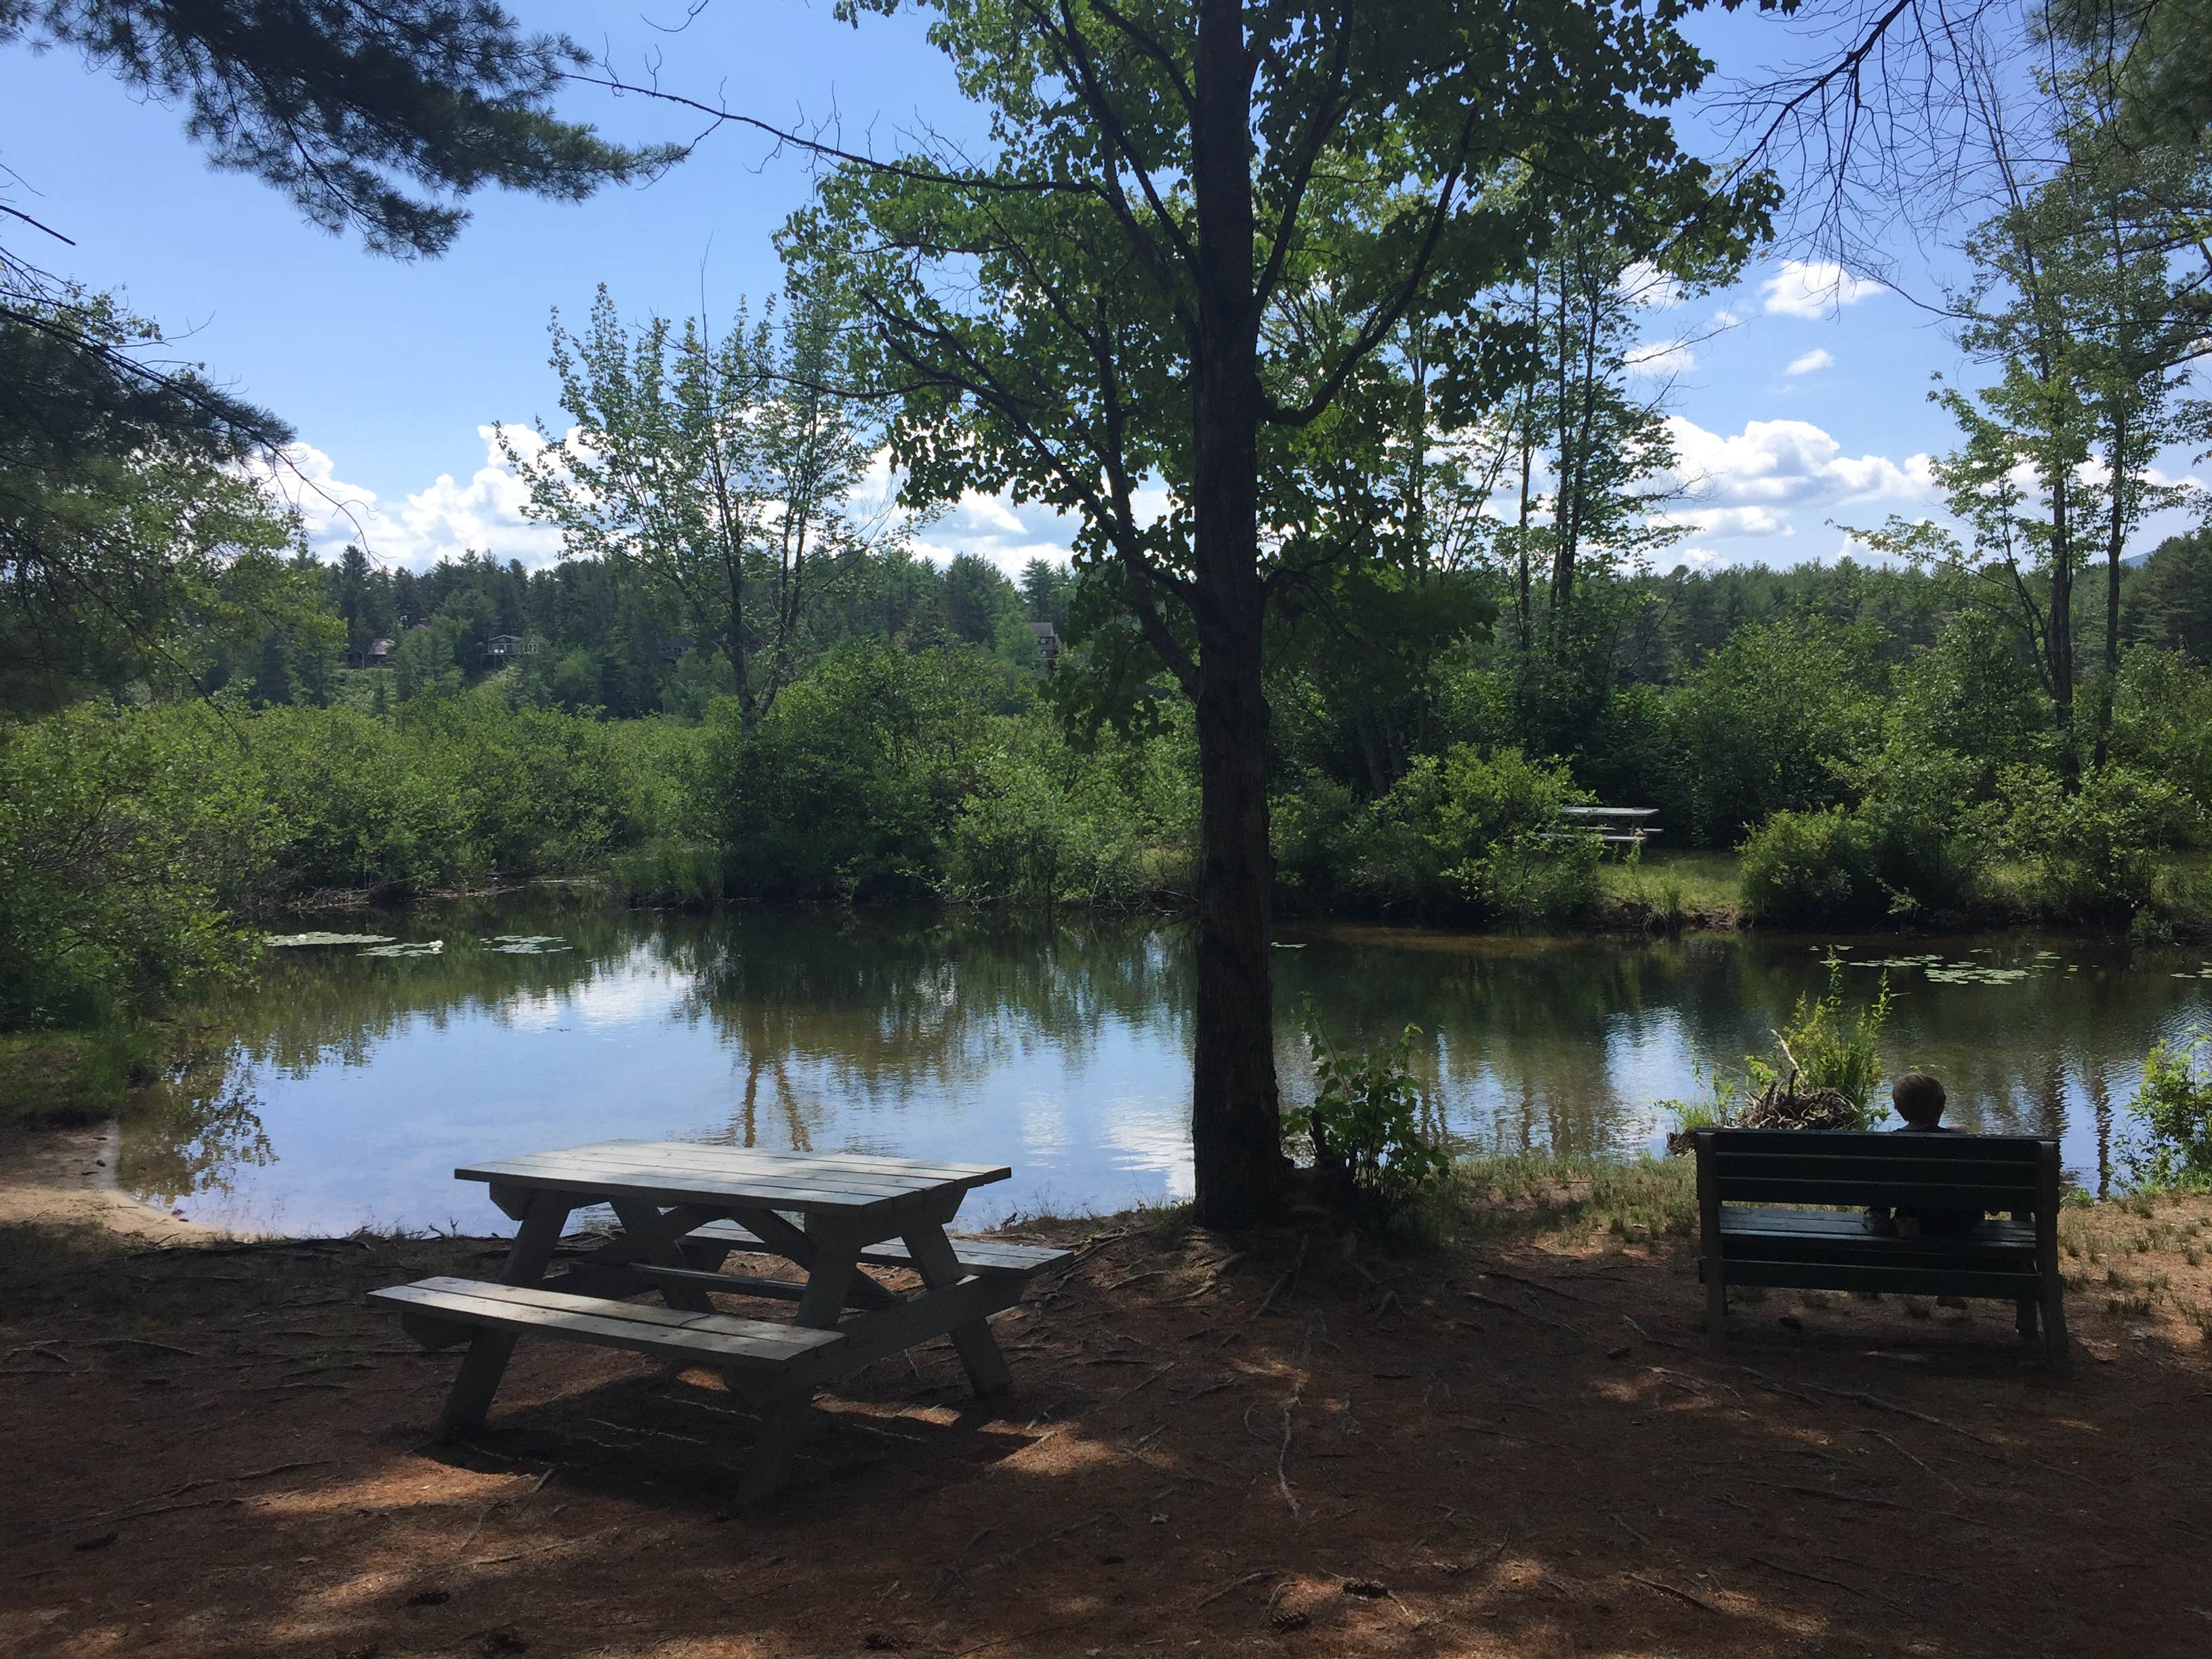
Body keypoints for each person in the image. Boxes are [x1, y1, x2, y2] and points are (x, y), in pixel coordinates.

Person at [1868, 1073, 1985, 1239]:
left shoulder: (1889, 1144)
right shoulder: (1961, 1142)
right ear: (1941, 1106)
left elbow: (1880, 1190)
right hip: (1963, 1225)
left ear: (1900, 1110)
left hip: (1913, 1222)